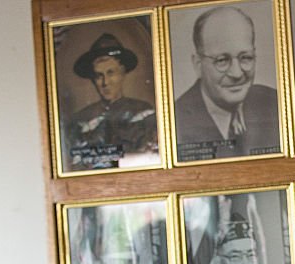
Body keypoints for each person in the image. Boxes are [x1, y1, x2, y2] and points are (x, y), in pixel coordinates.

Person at [173, 6, 281, 161]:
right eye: (222, 60)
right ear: (198, 64)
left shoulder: (275, 104)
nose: (236, 74)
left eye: (246, 58)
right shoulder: (175, 123)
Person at [66, 33, 159, 170]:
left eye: (111, 73)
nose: (105, 83)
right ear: (93, 80)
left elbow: (150, 158)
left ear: (122, 73)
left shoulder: (143, 112)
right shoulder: (81, 119)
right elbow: (73, 164)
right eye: (98, 76)